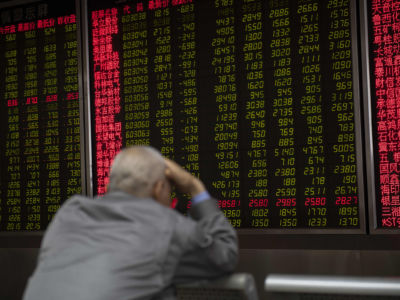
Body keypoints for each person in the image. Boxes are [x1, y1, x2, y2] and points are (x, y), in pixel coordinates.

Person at [23, 146, 238, 300]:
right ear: (158, 188)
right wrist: (194, 186)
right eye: (169, 189)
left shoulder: (70, 214)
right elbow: (225, 255)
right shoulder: (168, 225)